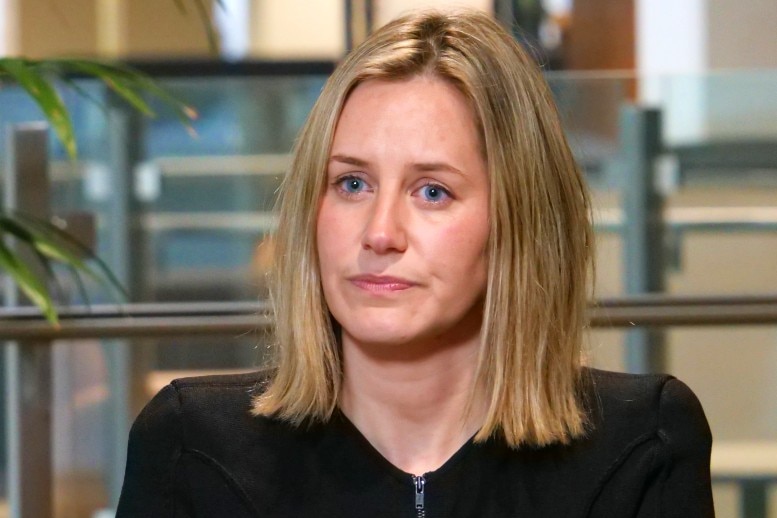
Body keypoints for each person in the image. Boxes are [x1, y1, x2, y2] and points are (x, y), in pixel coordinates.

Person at [117, 8, 714, 517]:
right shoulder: (191, 447)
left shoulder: (644, 443)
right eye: (351, 183)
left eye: (432, 192)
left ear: (518, 221)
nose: (379, 233)